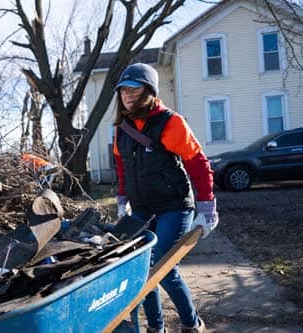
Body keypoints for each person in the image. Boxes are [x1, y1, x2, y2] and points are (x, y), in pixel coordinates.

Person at [113, 63, 219, 333]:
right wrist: (122, 199)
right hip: (141, 210)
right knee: (140, 270)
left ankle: (191, 324)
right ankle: (155, 328)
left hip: (174, 207)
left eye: (134, 89)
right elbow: (122, 167)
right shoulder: (122, 129)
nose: (127, 95)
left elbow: (197, 163)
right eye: (123, 90)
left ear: (148, 91)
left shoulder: (170, 122)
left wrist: (207, 207)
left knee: (164, 268)